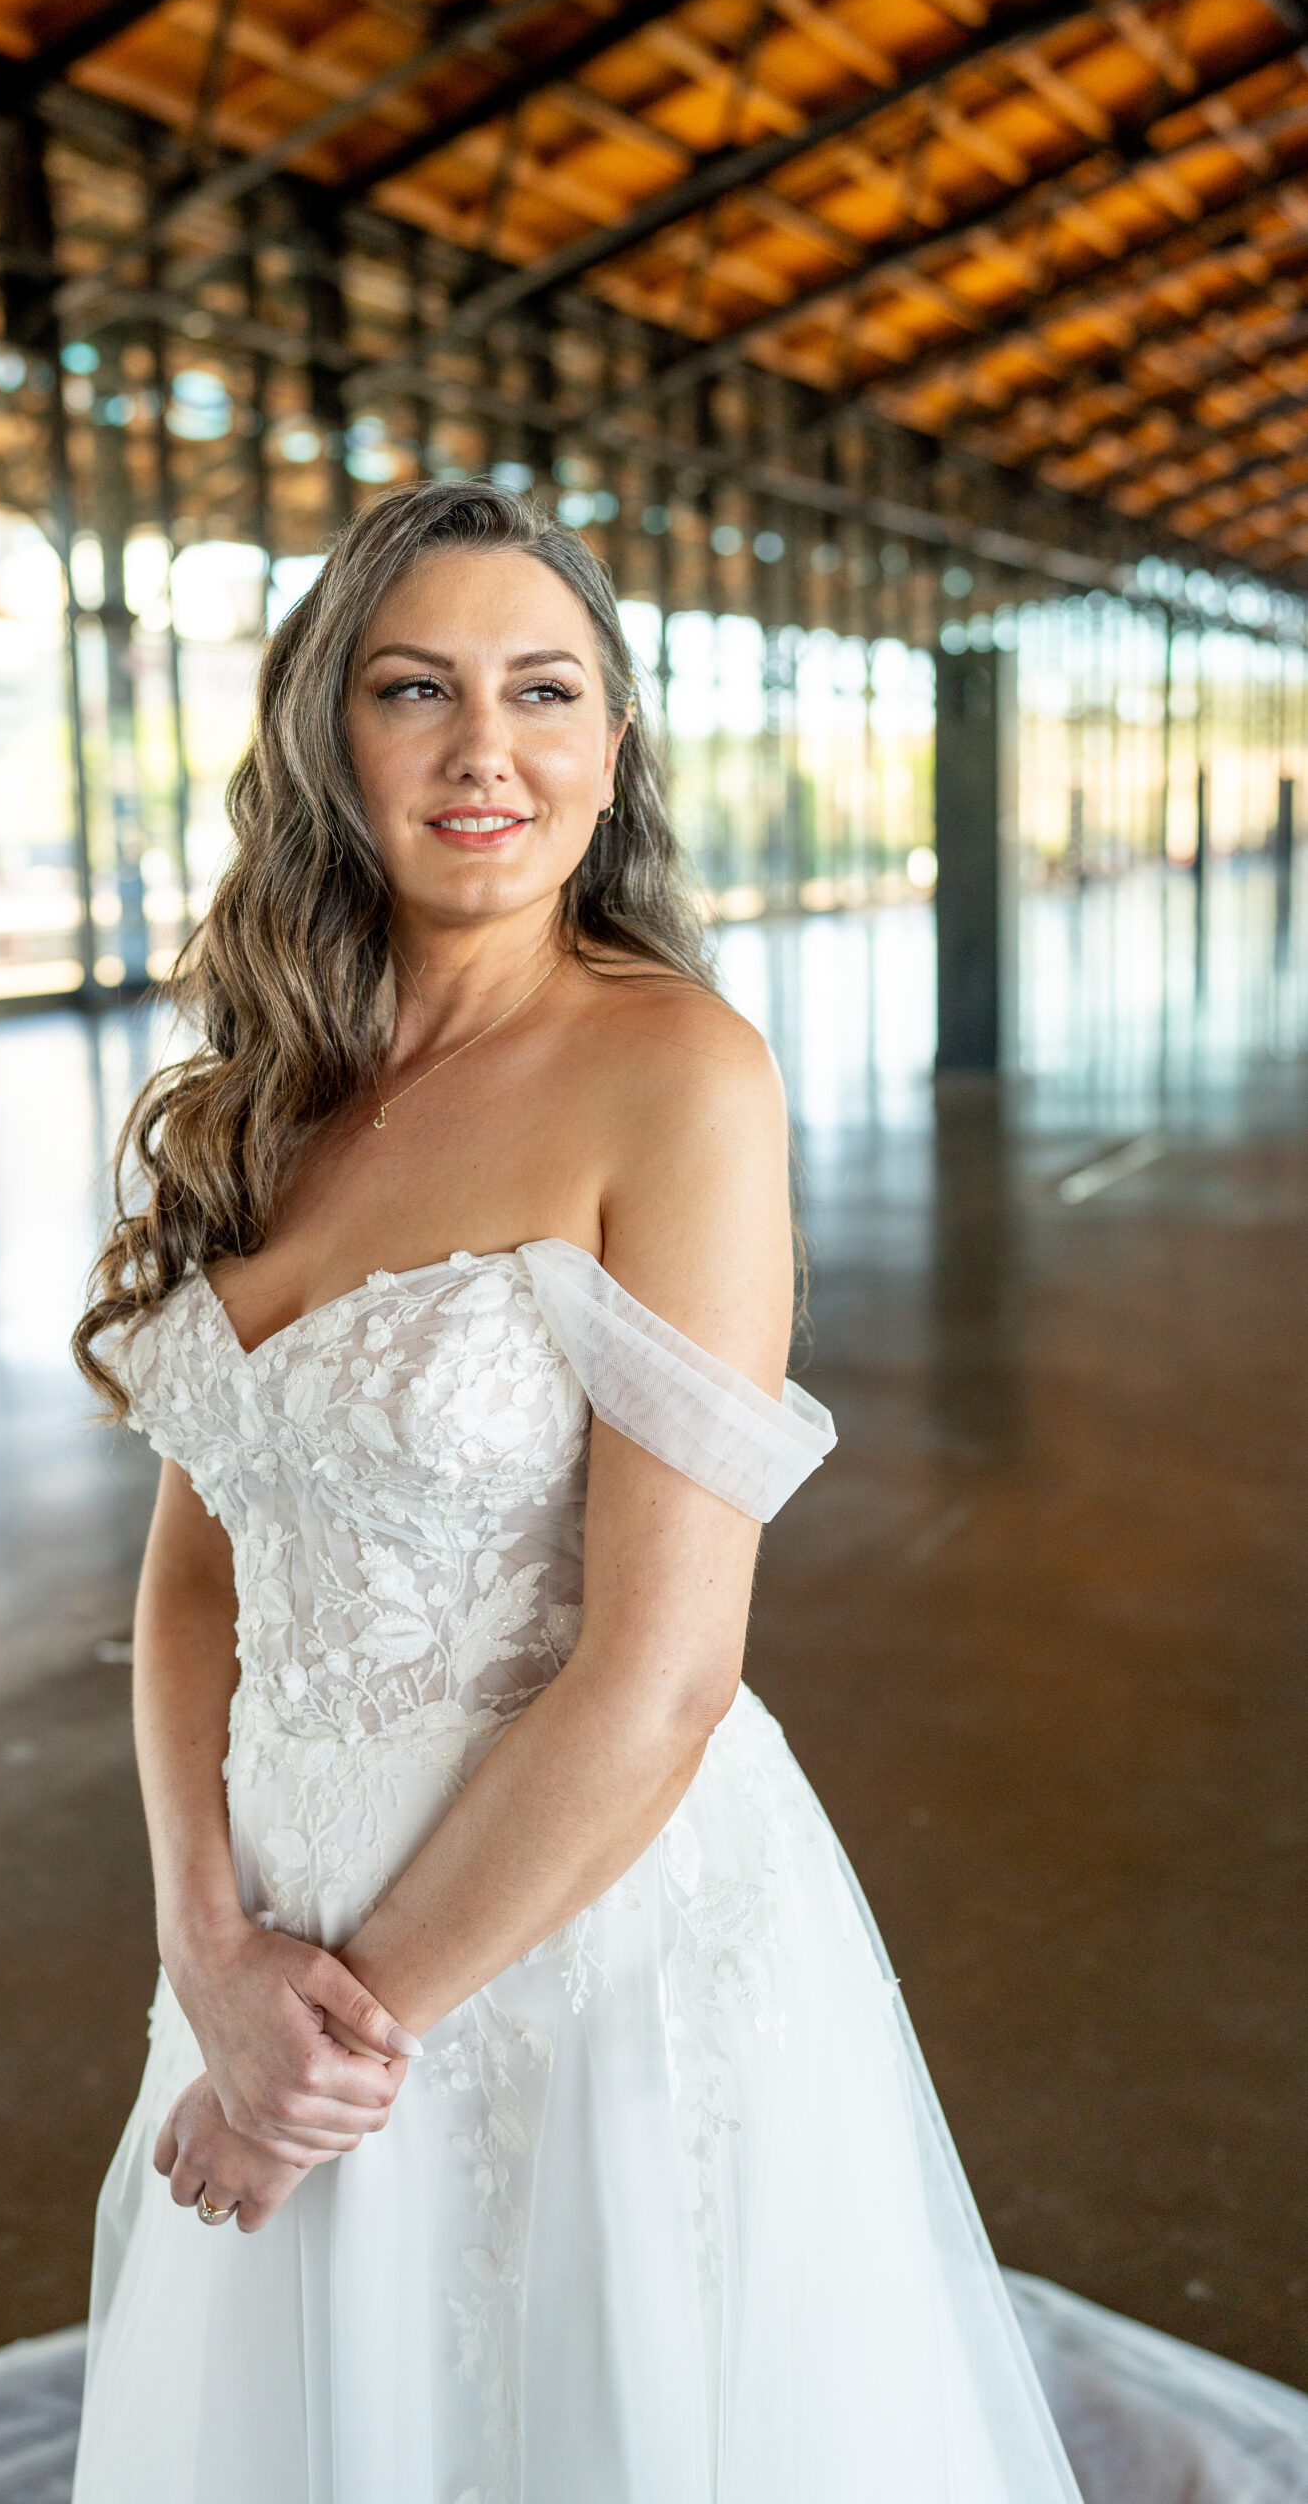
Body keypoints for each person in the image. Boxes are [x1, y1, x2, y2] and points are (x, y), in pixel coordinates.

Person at [69, 481, 1079, 2502]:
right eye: (410, 686)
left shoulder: (672, 1072)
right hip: (270, 1941)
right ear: (319, 735)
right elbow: (195, 1576)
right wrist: (206, 1948)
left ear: (610, 748)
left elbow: (660, 1671)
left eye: (543, 689)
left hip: (559, 1955)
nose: (481, 748)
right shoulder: (274, 1095)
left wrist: (318, 2067)